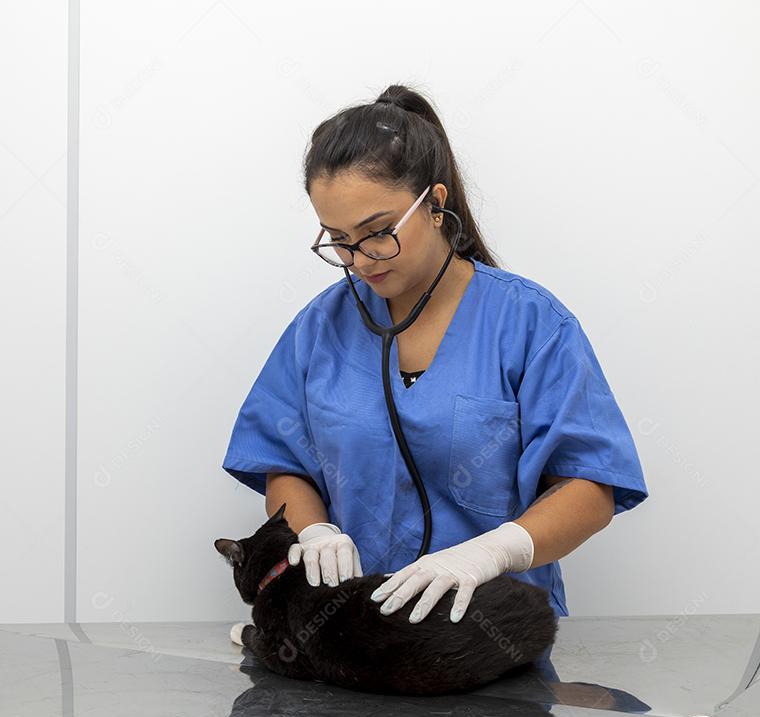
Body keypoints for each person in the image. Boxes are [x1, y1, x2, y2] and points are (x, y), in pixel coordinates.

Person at [221, 83, 648, 624]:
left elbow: (591, 484)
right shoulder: (319, 328)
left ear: (436, 204)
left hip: (493, 637)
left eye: (378, 232)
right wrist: (314, 531)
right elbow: (284, 461)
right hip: (355, 631)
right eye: (338, 240)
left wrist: (493, 552)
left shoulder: (530, 324)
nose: (361, 259)